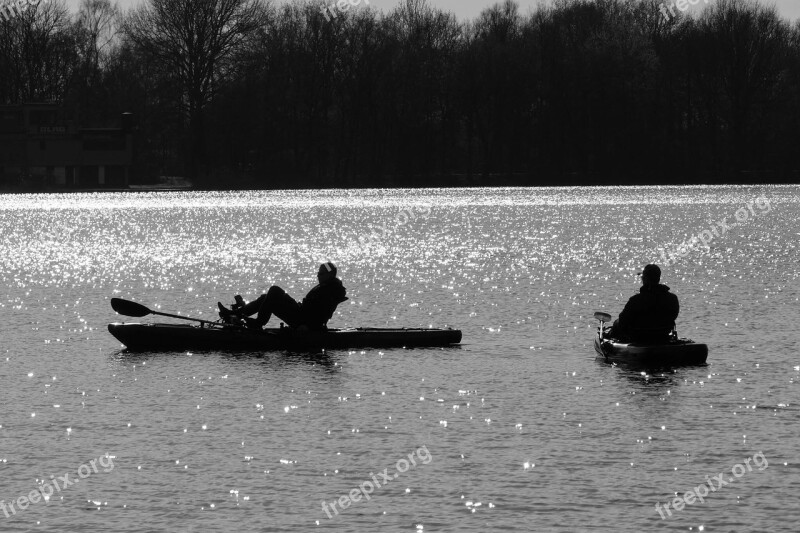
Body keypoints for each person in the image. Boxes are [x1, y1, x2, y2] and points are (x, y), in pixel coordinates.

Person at [218, 262, 348, 330]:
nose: (318, 276)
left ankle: (258, 323)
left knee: (274, 290)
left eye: (321, 274)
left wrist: (308, 327)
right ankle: (233, 315)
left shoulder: (332, 291)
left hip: (304, 321)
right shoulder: (326, 286)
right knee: (266, 297)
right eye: (318, 273)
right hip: (300, 312)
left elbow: (323, 313)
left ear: (330, 275)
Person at [608, 264, 680, 342]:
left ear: (645, 279)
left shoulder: (635, 301)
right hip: (663, 336)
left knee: (617, 323)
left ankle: (610, 337)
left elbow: (623, 322)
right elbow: (673, 316)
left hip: (639, 339)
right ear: (658, 279)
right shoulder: (672, 298)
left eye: (643, 277)